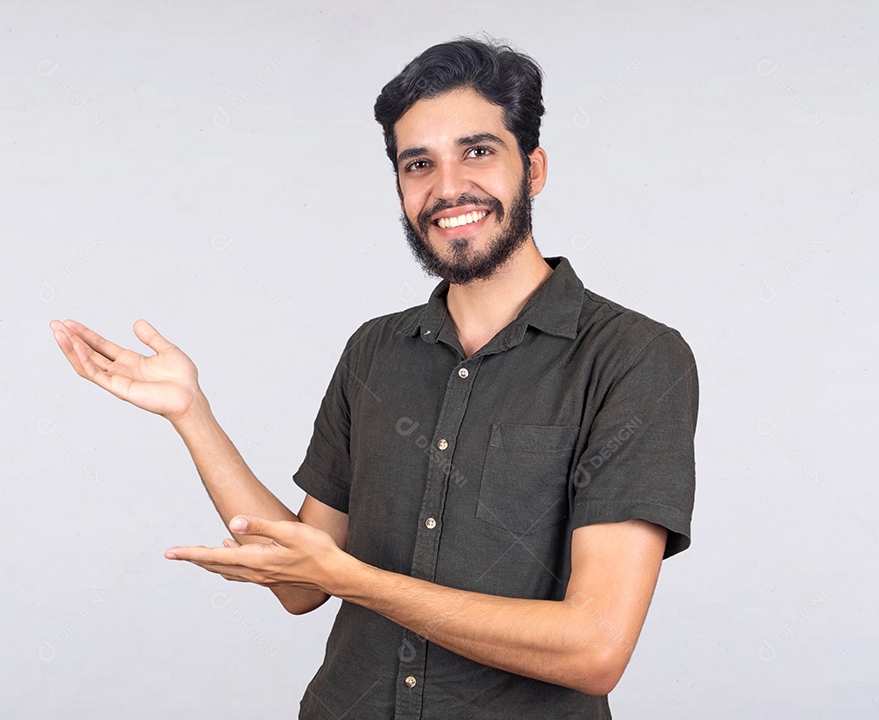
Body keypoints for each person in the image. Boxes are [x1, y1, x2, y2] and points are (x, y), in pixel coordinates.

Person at [50, 36, 698, 719]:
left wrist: (357, 581)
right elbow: (304, 583)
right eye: (419, 163)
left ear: (532, 168)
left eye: (477, 151)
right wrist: (191, 413)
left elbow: (593, 649)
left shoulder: (633, 358)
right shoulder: (374, 352)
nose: (447, 188)